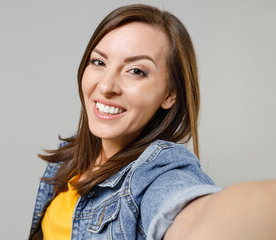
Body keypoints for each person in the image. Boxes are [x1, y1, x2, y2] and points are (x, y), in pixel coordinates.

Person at [28, 4, 276, 240]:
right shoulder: (70, 157)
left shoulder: (157, 174)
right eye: (99, 62)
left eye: (136, 71)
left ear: (170, 94)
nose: (105, 86)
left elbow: (196, 216)